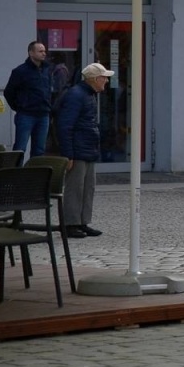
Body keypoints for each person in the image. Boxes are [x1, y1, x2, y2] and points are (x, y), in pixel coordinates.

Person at [53, 62, 112, 238]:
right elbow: (65, 126)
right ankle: (71, 224)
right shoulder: (76, 95)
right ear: (95, 79)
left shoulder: (88, 94)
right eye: (104, 78)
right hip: (78, 149)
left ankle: (82, 222)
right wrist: (68, 154)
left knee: (88, 188)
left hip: (87, 148)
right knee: (75, 188)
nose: (106, 81)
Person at [5, 41, 54, 158]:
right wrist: (19, 107)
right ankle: (15, 174)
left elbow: (48, 90)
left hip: (43, 115)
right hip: (26, 115)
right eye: (40, 51)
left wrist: (48, 106)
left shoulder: (47, 70)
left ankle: (34, 175)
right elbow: (8, 92)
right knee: (20, 149)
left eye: (44, 51)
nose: (44, 53)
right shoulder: (20, 71)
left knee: (39, 150)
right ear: (31, 53)